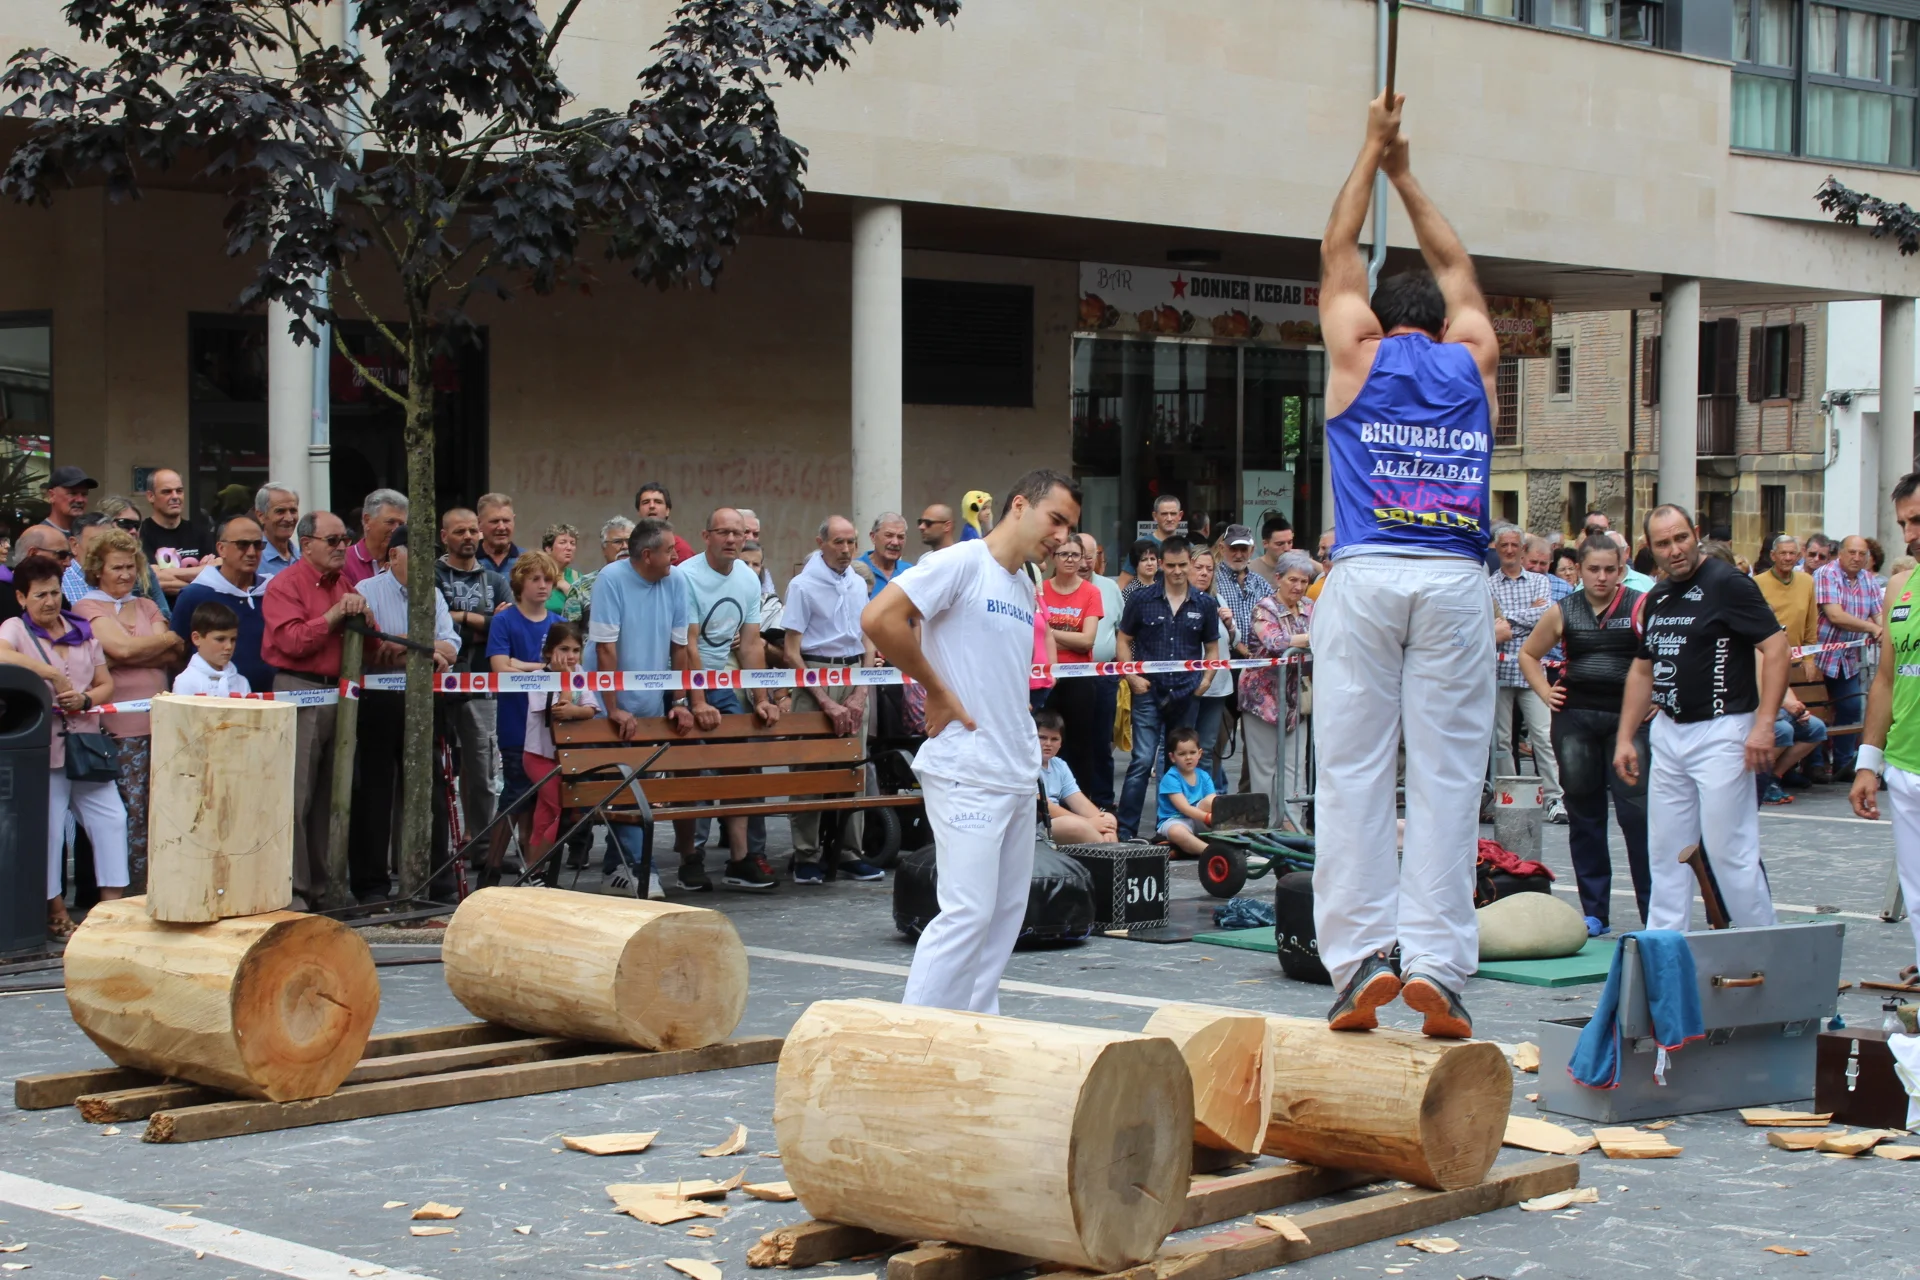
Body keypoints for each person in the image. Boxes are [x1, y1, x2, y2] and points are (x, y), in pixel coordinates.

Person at [1311, 89, 1500, 1039]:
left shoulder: (1357, 353)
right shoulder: (1474, 360)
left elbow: (1335, 250)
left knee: (1351, 773)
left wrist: (1370, 150)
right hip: (1457, 581)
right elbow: (1458, 268)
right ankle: (1437, 969)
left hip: (1368, 573)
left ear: (1380, 321)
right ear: (1443, 322)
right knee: (1448, 779)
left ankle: (1358, 964)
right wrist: (1409, 174)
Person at [865, 468, 1081, 1012]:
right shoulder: (961, 562)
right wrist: (936, 688)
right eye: (1055, 519)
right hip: (967, 768)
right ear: (1019, 506)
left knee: (1004, 917)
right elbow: (880, 618)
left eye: (1070, 527)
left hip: (1015, 771)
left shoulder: (1024, 582)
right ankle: (914, 1039)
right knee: (967, 914)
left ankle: (977, 1031)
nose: (1061, 537)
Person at [1614, 505, 1788, 932]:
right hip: (1669, 730)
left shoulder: (1728, 583)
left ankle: (1761, 944)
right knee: (1665, 851)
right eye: (1663, 544)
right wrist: (1624, 737)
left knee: (1730, 850)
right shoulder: (1657, 596)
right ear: (1649, 548)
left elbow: (1776, 648)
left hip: (1722, 728)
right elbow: (1643, 669)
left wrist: (1765, 724)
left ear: (1695, 533)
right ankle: (1664, 945)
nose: (1675, 550)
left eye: (1681, 538)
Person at [1518, 536, 1649, 936]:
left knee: (1637, 816)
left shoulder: (1640, 605)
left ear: (1621, 569)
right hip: (1576, 719)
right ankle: (1595, 912)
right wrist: (1545, 692)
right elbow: (1528, 654)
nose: (1602, 577)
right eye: (1593, 569)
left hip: (1628, 721)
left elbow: (1665, 654)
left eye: (1610, 569)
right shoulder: (1564, 610)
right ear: (1578, 570)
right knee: (1584, 816)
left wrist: (1659, 695)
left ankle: (1654, 910)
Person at [589, 518, 716, 896]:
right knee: (625, 786)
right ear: (647, 555)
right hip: (606, 703)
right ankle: (641, 869)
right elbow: (605, 648)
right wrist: (612, 707)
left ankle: (617, 869)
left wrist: (679, 702)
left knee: (641, 785)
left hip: (649, 702)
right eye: (669, 550)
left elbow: (680, 647)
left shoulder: (676, 581)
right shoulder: (611, 579)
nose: (676, 556)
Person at [0, 554, 126, 938]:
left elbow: (106, 684)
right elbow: (1, 654)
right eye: (40, 595)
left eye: (55, 592)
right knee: (51, 832)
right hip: (45, 749)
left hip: (87, 743)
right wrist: (51, 674)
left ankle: (112, 910)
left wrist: (86, 699)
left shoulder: (81, 630)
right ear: (21, 598)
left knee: (112, 819)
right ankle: (55, 911)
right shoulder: (14, 629)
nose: (50, 601)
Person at [261, 510, 368, 909]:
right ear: (306, 545)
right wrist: (334, 615)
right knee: (297, 796)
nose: (342, 547)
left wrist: (365, 615)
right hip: (299, 689)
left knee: (332, 795)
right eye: (333, 540)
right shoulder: (285, 585)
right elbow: (291, 641)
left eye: (346, 539)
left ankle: (324, 887)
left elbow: (370, 644)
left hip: (340, 691)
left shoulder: (345, 583)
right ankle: (294, 890)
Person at [672, 507, 782, 891]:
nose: (732, 539)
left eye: (738, 533)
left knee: (741, 765)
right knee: (693, 771)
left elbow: (751, 645)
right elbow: (688, 644)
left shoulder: (748, 580)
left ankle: (740, 859)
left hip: (721, 680)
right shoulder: (686, 576)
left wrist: (762, 698)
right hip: (682, 680)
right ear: (706, 537)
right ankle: (690, 858)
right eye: (723, 532)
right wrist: (697, 701)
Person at [72, 527, 182, 895]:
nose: (125, 574)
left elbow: (174, 653)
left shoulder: (147, 605)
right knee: (129, 814)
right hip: (119, 730)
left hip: (162, 725)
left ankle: (163, 888)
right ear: (97, 570)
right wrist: (161, 640)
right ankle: (131, 894)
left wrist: (135, 652)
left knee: (162, 811)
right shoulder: (87, 607)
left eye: (130, 566)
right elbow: (121, 649)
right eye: (116, 567)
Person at [354, 524, 459, 902]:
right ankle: (371, 885)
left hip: (425, 700)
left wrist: (405, 645)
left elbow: (451, 648)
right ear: (394, 555)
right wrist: (426, 649)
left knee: (431, 791)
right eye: (417, 555)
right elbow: (373, 649)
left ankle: (435, 879)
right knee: (375, 794)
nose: (425, 564)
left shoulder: (433, 594)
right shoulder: (367, 591)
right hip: (378, 702)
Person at [781, 515, 885, 884]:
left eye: (851, 542)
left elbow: (867, 639)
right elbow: (791, 651)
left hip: (854, 670)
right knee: (809, 769)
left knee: (853, 767)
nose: (845, 550)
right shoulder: (802, 585)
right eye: (838, 542)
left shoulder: (857, 582)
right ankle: (806, 854)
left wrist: (861, 690)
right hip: (816, 671)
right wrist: (825, 701)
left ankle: (848, 851)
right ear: (821, 543)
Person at [1847, 470, 1920, 983]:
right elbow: (1887, 680)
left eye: (1918, 520)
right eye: (1903, 524)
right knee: (1916, 888)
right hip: (1906, 762)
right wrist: (1867, 764)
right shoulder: (1899, 586)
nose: (1910, 534)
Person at [1115, 536, 1221, 841]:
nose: (1177, 571)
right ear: (1161, 564)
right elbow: (1123, 640)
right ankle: (1125, 833)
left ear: (1190, 564)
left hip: (1186, 692)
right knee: (1142, 760)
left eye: (1182, 565)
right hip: (1148, 690)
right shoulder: (1141, 598)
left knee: (1180, 761)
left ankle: (1170, 829)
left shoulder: (1205, 603)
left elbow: (1212, 648)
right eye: (1171, 565)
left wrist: (1205, 681)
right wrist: (1132, 678)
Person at [435, 507, 511, 848]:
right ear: (444, 536)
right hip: (438, 682)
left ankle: (481, 845)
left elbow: (504, 628)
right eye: (459, 531)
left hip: (482, 683)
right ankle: (437, 849)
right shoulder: (432, 576)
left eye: (471, 531)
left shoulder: (495, 580)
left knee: (482, 768)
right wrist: (481, 623)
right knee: (437, 768)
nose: (468, 537)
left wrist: (459, 618)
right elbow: (433, 626)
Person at [488, 550, 560, 880]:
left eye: (548, 579)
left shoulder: (557, 622)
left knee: (542, 799)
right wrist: (538, 667)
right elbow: (500, 667)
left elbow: (566, 667)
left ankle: (533, 867)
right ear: (520, 583)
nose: (543, 585)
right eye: (535, 579)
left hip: (549, 725)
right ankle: (491, 867)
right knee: (515, 795)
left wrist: (521, 664)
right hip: (516, 721)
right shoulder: (504, 621)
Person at [1489, 524, 1565, 823]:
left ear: (1523, 549)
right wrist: (1525, 618)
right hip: (1499, 672)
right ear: (1497, 549)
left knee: (1543, 737)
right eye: (1504, 545)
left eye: (1514, 545)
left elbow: (1544, 617)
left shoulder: (1539, 581)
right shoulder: (1488, 585)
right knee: (1501, 741)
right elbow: (1493, 624)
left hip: (1531, 673)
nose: (1509, 550)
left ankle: (1554, 798)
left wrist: (1506, 619)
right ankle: (1511, 799)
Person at [1240, 550, 1316, 828]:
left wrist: (1308, 639)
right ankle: (1266, 827)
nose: (1298, 587)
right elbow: (1274, 642)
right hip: (1262, 698)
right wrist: (1313, 638)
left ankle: (1292, 825)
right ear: (1278, 578)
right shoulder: (1264, 608)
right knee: (1264, 767)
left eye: (1304, 581)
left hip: (1296, 697)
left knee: (1295, 765)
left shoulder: (1310, 607)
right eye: (1292, 580)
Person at [521, 622, 604, 868]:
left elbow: (590, 709)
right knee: (561, 807)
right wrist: (566, 683)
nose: (571, 656)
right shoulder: (539, 678)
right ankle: (536, 867)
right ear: (549, 652)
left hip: (566, 757)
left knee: (545, 813)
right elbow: (558, 712)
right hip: (539, 756)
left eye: (576, 650)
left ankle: (532, 868)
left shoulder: (579, 674)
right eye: (564, 649)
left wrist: (574, 710)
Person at [169, 514, 273, 693]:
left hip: (268, 697)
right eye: (242, 544)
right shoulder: (195, 594)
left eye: (258, 545)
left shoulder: (271, 591)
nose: (251, 552)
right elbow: (177, 651)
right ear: (221, 549)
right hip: (209, 698)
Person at [1814, 533, 1884, 781]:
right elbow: (1835, 615)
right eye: (1852, 552)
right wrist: (1872, 628)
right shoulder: (1826, 573)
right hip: (1821, 656)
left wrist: (1884, 630)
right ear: (1841, 554)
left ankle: (1843, 764)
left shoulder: (1868, 579)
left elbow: (1878, 613)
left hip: (1847, 658)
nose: (1857, 558)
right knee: (1816, 710)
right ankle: (1815, 764)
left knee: (1851, 707)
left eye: (1862, 554)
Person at [1074, 531, 1124, 811]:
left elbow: (1122, 630)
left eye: (1089, 557)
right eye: (1078, 556)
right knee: (1071, 739)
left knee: (1102, 740)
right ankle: (1073, 798)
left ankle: (1104, 800)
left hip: (1105, 675)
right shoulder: (1054, 587)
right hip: (1070, 675)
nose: (1084, 563)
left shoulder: (1109, 587)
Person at [1187, 547, 1236, 787]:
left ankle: (1203, 799)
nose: (1204, 573)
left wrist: (1230, 624)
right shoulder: (1180, 600)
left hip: (1217, 687)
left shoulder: (1217, 599)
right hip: (1187, 686)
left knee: (1206, 748)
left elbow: (1233, 641)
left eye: (1209, 569)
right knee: (1181, 747)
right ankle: (1176, 800)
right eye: (1199, 568)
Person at [1035, 708, 1116, 844]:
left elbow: (1080, 802)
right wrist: (1089, 822)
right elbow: (1043, 807)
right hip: (1035, 827)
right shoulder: (1024, 765)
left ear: (1061, 743)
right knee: (1076, 826)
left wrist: (1100, 821)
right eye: (1042, 737)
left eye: (1054, 739)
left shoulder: (1059, 765)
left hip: (1058, 824)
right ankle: (1111, 853)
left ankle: (1111, 853)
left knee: (1108, 819)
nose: (1048, 744)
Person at [140, 468, 217, 598]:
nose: (175, 496)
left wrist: (166, 573)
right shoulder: (142, 533)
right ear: (150, 496)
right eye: (167, 492)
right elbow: (155, 579)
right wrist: (202, 580)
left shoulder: (200, 532)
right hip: (161, 609)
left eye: (179, 491)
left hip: (198, 609)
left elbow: (218, 571)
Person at [1154, 725, 1217, 856]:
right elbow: (1185, 809)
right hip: (1175, 820)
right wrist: (1208, 818)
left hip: (1198, 819)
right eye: (1182, 754)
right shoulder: (1171, 777)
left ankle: (1187, 848)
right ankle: (1210, 851)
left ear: (1199, 753)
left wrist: (1216, 816)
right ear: (1172, 757)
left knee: (1213, 801)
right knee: (1177, 832)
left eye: (1192, 753)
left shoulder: (1204, 776)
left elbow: (1213, 802)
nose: (1188, 757)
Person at [173, 601, 251, 697]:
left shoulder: (242, 682)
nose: (229, 646)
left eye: (233, 639)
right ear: (196, 638)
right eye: (220, 639)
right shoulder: (185, 682)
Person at [343, 488, 408, 588]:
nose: (396, 530)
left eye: (401, 524)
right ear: (367, 520)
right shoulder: (344, 561)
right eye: (390, 522)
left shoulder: (408, 561)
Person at [635, 482, 697, 564]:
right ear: (638, 511)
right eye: (646, 502)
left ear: (667, 510)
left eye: (658, 502)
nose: (652, 506)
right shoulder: (629, 545)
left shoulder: (681, 549)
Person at [858, 512, 913, 598]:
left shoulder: (910, 572)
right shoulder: (854, 571)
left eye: (900, 537)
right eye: (889, 535)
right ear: (873, 537)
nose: (895, 542)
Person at [35, 465, 96, 542]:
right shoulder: (40, 537)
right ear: (52, 495)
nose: (80, 500)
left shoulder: (87, 534)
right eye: (73, 493)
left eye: (84, 494)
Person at [254, 482, 301, 577]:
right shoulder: (252, 560)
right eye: (280, 511)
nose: (289, 518)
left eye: (293, 511)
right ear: (261, 516)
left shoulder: (303, 558)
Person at [475, 492, 524, 577]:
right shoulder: (466, 562)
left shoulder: (528, 561)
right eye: (495, 521)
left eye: (506, 521)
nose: (501, 527)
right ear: (479, 523)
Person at [1248, 515, 1295, 590]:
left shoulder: (1297, 567)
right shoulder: (1250, 570)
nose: (1286, 548)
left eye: (1290, 542)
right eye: (1280, 544)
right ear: (1265, 544)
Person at [737, 509, 778, 593]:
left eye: (755, 534)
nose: (751, 538)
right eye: (746, 532)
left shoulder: (764, 572)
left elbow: (768, 595)